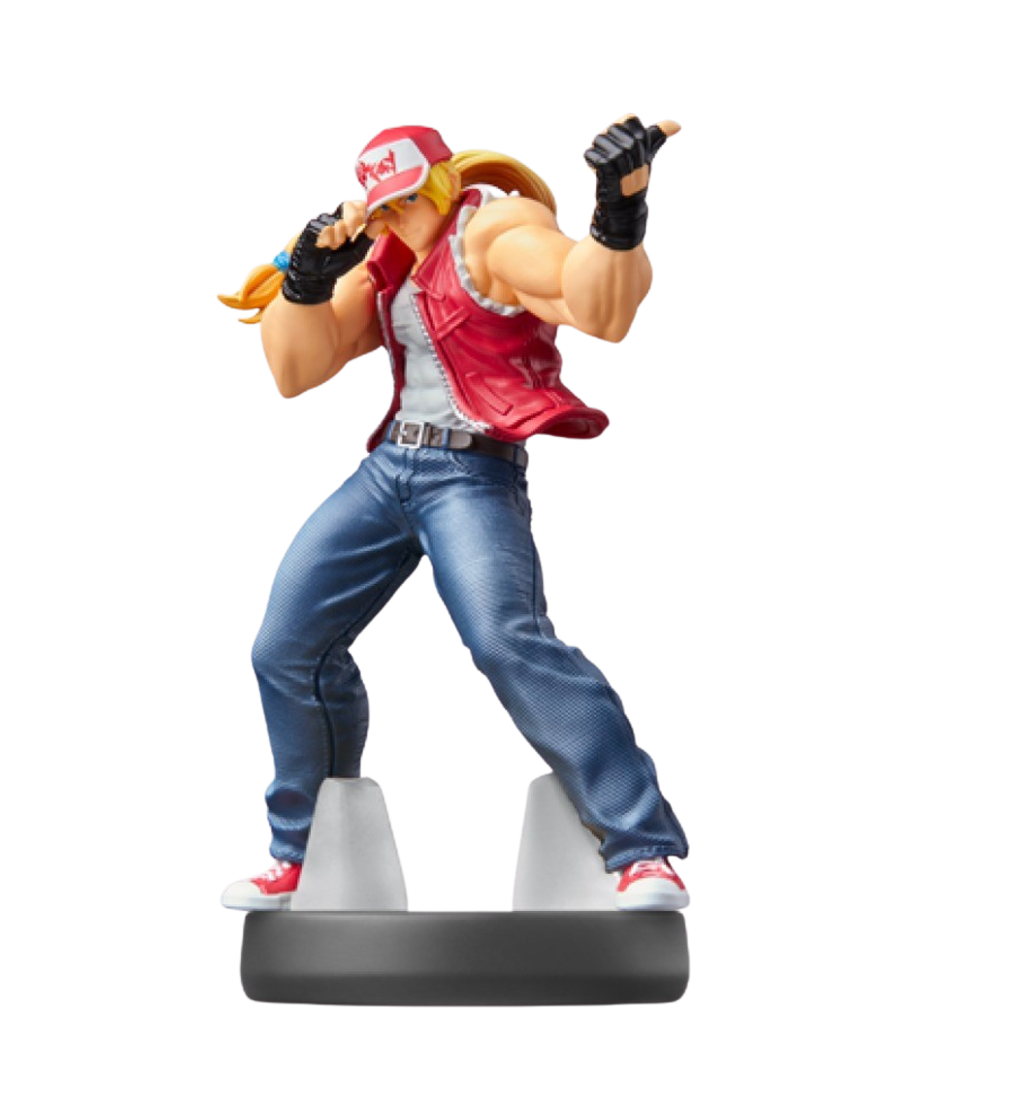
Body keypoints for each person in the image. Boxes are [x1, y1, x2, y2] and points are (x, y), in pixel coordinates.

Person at [215, 115, 690, 912]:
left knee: (509, 640)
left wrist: (618, 207)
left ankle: (643, 849)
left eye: (409, 199)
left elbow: (599, 310)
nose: (397, 217)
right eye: (385, 207)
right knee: (285, 647)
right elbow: (295, 373)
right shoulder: (387, 255)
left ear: (442, 181)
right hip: (389, 468)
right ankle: (301, 853)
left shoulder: (493, 230)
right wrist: (306, 281)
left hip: (469, 472)